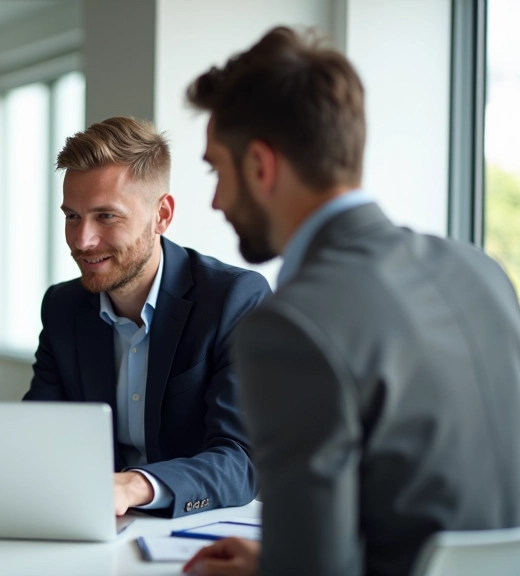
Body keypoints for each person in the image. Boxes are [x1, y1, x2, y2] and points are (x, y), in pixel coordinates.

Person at [183, 27, 520, 576]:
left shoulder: (292, 326)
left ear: (262, 167)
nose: (217, 199)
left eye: (217, 168)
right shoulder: (481, 271)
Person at [24, 117, 272, 518]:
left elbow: (242, 459)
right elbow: (39, 434)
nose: (82, 240)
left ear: (162, 215)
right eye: (72, 216)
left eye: (106, 216)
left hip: (189, 532)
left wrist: (133, 485)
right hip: (86, 525)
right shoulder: (62, 307)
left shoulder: (234, 299)